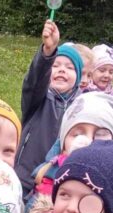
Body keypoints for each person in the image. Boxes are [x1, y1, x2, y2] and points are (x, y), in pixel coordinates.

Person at [13, 18, 83, 194]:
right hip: (24, 179)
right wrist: (48, 53)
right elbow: (34, 81)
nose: (61, 70)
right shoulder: (38, 98)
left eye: (69, 67)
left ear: (79, 79)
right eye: (56, 65)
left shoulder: (82, 107)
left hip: (56, 184)